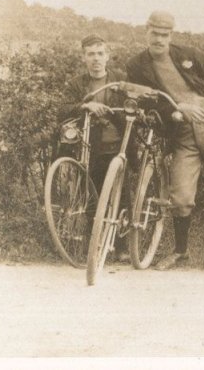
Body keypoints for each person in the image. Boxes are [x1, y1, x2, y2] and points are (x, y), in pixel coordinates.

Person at [126, 11, 204, 273]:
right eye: (155, 33)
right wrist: (176, 111)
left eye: (165, 35)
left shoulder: (189, 54)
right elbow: (145, 101)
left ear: (171, 35)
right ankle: (180, 252)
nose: (159, 40)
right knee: (182, 195)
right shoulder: (137, 66)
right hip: (181, 132)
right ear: (146, 31)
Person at [57, 33, 128, 260]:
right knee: (92, 195)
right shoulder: (77, 84)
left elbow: (133, 104)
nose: (96, 59)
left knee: (121, 194)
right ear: (83, 58)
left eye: (100, 54)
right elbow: (62, 110)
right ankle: (93, 245)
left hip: (119, 146)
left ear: (107, 56)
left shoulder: (119, 81)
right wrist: (86, 105)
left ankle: (123, 246)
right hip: (92, 148)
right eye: (90, 54)